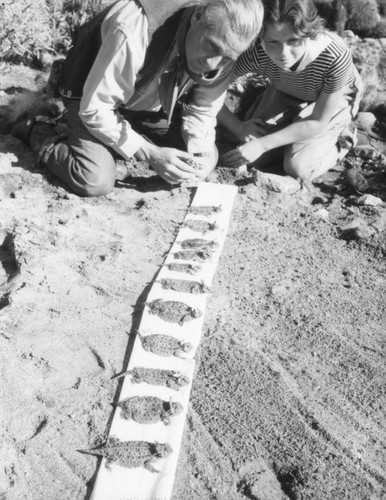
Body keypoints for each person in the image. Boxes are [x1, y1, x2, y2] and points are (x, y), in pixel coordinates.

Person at [11, 0, 263, 196]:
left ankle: (112, 143)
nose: (213, 64)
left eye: (228, 57)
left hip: (144, 102)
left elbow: (203, 111)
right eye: (212, 46)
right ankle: (37, 125)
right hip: (88, 91)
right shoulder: (135, 27)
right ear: (198, 16)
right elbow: (96, 109)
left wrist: (201, 156)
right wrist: (150, 153)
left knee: (201, 154)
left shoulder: (229, 43)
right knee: (94, 178)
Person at [219, 0, 363, 181]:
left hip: (332, 98)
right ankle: (293, 127)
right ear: (260, 36)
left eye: (293, 40)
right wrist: (238, 127)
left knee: (298, 167)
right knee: (252, 154)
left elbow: (318, 120)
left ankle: (345, 135)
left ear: (309, 33)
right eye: (272, 41)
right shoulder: (256, 51)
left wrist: (263, 145)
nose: (283, 53)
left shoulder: (335, 56)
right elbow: (207, 89)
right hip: (287, 88)